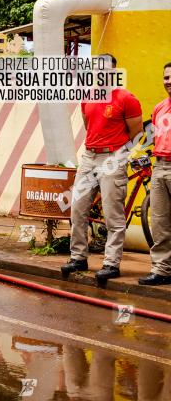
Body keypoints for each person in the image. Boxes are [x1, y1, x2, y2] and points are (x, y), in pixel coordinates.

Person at [62, 55, 143, 286]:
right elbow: (90, 126)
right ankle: (78, 258)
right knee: (77, 209)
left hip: (113, 157)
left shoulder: (126, 98)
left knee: (112, 215)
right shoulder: (88, 97)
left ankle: (111, 264)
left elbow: (136, 133)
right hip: (89, 156)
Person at [140, 62, 171, 286]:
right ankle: (162, 270)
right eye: (166, 77)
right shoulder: (160, 108)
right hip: (160, 166)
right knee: (159, 222)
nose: (168, 81)